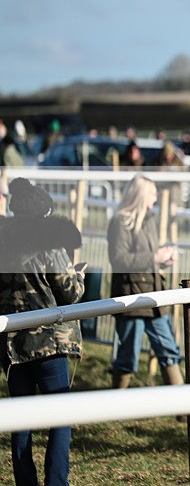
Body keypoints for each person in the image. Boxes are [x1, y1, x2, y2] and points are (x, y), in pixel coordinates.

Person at [0, 177, 85, 486]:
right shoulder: (50, 243)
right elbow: (69, 294)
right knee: (59, 417)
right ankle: (56, 482)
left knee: (21, 420)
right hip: (49, 342)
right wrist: (79, 276)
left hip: (11, 344)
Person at [107, 175, 183, 389]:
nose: (156, 198)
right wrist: (154, 257)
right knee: (128, 356)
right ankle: (115, 402)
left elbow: (149, 257)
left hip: (153, 296)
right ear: (140, 195)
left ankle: (182, 404)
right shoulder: (120, 221)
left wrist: (163, 259)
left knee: (169, 351)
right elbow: (119, 259)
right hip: (131, 298)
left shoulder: (149, 220)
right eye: (152, 193)